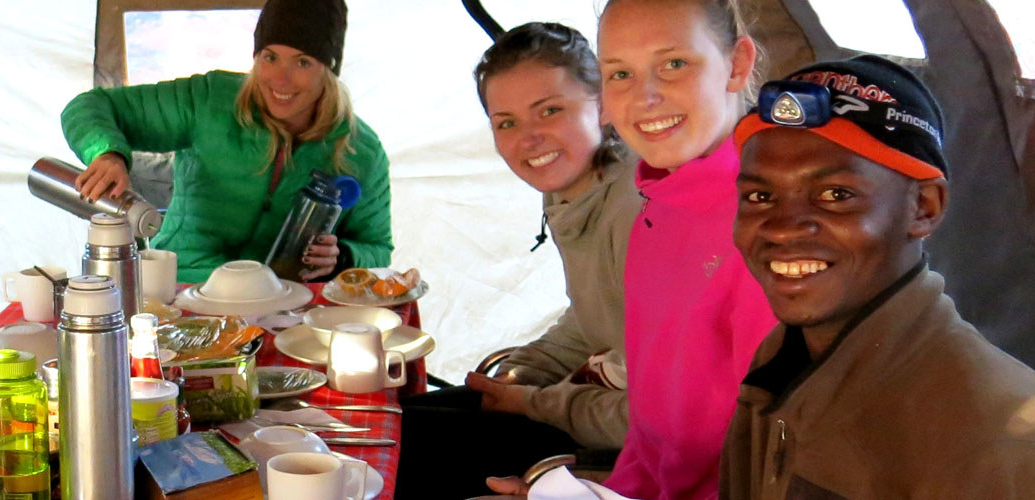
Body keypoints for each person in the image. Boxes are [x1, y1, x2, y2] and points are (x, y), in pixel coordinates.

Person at [723, 56, 1035, 499]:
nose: (781, 227)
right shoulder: (780, 362)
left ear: (923, 208)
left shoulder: (999, 439)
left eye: (836, 195)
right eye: (760, 196)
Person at [397, 22, 641, 499]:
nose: (529, 139)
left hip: (627, 450)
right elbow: (596, 314)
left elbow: (657, 415)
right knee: (395, 422)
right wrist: (522, 373)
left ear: (604, 106)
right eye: (507, 122)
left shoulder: (635, 210)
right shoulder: (573, 193)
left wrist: (534, 403)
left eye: (549, 111)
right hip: (591, 407)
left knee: (408, 458)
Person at [570, 0, 778, 498]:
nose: (645, 97)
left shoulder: (767, 227)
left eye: (674, 64)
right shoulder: (657, 205)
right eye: (619, 73)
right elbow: (651, 430)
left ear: (737, 64)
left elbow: (771, 457)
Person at [59, 0, 392, 283]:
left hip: (281, 303)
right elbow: (89, 106)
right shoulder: (209, 100)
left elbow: (376, 247)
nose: (280, 78)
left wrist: (342, 257)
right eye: (270, 57)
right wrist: (107, 153)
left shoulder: (361, 150)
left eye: (302, 62)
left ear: (329, 70)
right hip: (183, 285)